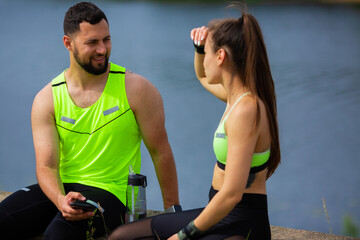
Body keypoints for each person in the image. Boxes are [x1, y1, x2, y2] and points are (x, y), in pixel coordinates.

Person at [0, 2, 181, 239]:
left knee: (58, 235)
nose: (103, 49)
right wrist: (59, 200)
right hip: (63, 191)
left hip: (112, 194)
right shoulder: (46, 99)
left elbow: (161, 153)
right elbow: (46, 166)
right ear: (68, 43)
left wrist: (173, 212)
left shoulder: (137, 89)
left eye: (106, 39)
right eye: (92, 42)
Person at [108, 4, 281, 240]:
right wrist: (200, 48)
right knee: (122, 236)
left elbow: (232, 194)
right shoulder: (236, 98)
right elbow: (202, 75)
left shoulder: (246, 109)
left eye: (208, 52)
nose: (204, 59)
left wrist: (182, 236)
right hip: (219, 212)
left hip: (242, 223)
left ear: (221, 57)